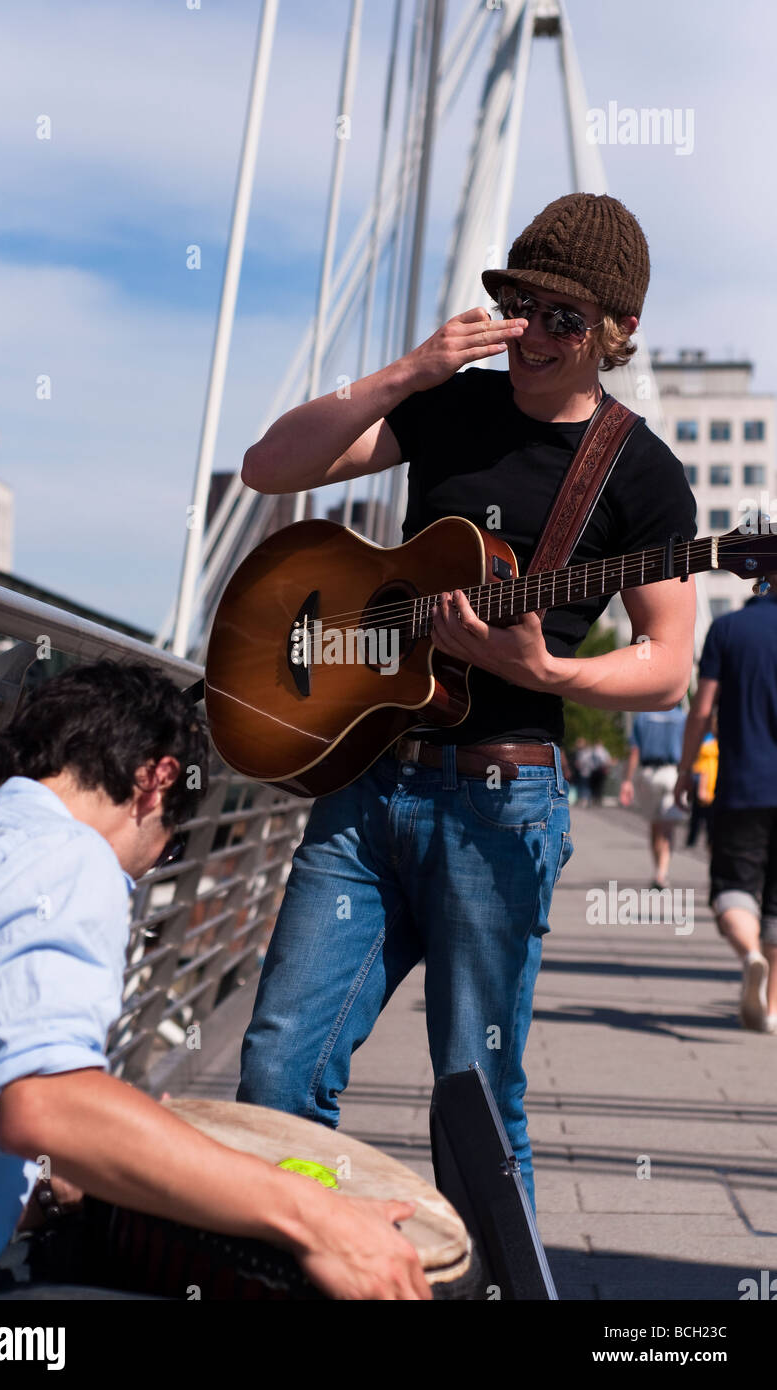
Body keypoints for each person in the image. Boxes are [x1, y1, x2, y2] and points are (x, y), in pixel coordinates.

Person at [238, 192, 697, 1213]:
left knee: (475, 1102)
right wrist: (409, 370)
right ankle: (303, 1259)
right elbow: (267, 467)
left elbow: (667, 663)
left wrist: (551, 674)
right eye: (519, 305)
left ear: (614, 334)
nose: (531, 334)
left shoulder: (639, 473)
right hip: (366, 791)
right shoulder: (446, 407)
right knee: (275, 1074)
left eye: (563, 318)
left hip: (499, 804)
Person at [0, 659, 430, 1300]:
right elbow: (41, 1104)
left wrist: (57, 1179)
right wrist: (319, 1217)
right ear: (157, 780)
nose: (156, 865)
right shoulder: (69, 855)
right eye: (174, 842)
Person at [676, 589, 777, 1034]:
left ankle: (750, 955)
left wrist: (686, 770)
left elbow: (700, 710)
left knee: (732, 890)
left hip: (743, 786)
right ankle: (771, 1011)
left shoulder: (728, 629)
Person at [619, 703, 688, 887]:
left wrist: (627, 780)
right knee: (668, 827)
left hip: (648, 774)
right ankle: (662, 872)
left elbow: (635, 751)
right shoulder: (682, 718)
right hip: (672, 773)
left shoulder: (643, 717)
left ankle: (658, 869)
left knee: (655, 825)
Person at [686, 715, 718, 849]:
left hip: (712, 780)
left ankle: (706, 841)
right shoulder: (705, 740)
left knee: (709, 818)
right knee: (698, 815)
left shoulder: (711, 740)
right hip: (703, 780)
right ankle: (692, 841)